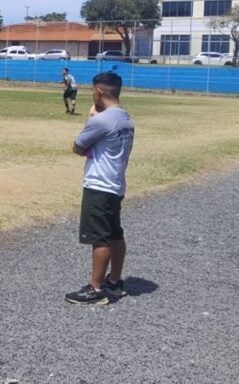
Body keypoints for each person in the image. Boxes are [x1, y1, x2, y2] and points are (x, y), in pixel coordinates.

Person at [65, 72, 135, 306]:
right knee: (115, 232)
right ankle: (114, 281)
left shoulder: (101, 120)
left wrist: (90, 118)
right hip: (116, 183)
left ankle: (95, 289)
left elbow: (78, 146)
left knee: (100, 238)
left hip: (99, 184)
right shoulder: (125, 118)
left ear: (99, 91)